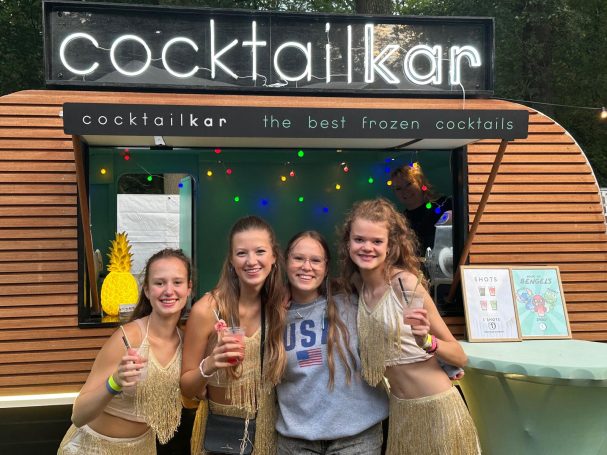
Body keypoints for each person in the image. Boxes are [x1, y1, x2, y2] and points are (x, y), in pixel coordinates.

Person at [339, 198, 480, 455]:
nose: (367, 247)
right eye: (359, 239)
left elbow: (460, 356)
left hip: (438, 410)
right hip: (401, 414)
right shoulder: (356, 284)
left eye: (377, 241)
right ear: (348, 242)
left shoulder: (404, 284)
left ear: (390, 246)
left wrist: (427, 341)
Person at [58, 248, 193, 454]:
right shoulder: (128, 338)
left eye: (177, 282)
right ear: (146, 290)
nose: (168, 290)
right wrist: (115, 381)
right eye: (159, 283)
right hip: (93, 448)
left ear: (188, 288)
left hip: (143, 449)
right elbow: (78, 415)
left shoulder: (185, 342)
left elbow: (194, 394)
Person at [181, 215, 287, 455]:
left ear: (273, 257)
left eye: (260, 251)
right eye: (241, 253)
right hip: (219, 435)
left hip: (266, 432)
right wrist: (210, 364)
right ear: (231, 259)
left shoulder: (278, 308)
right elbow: (187, 388)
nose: (251, 261)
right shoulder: (207, 310)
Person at [276, 231, 388, 454]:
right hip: (296, 441)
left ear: (326, 268)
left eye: (315, 260)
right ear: (285, 262)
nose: (306, 267)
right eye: (298, 258)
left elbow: (398, 322)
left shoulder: (351, 302)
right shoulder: (273, 315)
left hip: (357, 438)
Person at [390, 163, 453, 255]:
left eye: (409, 184)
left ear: (420, 183)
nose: (405, 191)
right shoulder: (399, 223)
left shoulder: (446, 205)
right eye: (398, 188)